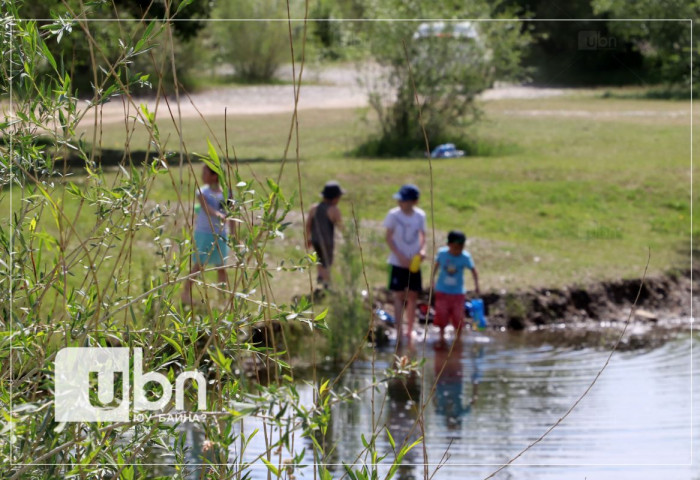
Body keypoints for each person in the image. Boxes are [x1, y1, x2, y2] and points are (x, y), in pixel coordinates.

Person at [181, 164, 234, 304]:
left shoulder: (227, 194)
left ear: (214, 175)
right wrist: (219, 215)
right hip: (204, 233)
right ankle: (186, 294)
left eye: (205, 173)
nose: (202, 176)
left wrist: (234, 235)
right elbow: (206, 208)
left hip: (221, 234)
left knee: (221, 267)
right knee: (199, 265)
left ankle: (222, 299)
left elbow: (232, 215)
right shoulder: (202, 192)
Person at [384, 184, 426, 347]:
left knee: (413, 295)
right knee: (398, 295)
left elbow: (423, 236)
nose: (400, 202)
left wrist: (422, 251)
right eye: (400, 199)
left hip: (414, 262)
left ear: (414, 201)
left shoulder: (420, 216)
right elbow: (388, 237)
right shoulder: (393, 215)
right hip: (397, 261)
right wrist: (400, 256)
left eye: (404, 199)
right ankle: (399, 329)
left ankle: (410, 329)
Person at [431, 230, 480, 348]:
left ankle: (458, 340)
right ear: (449, 245)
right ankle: (441, 338)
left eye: (461, 248)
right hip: (442, 291)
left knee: (458, 317)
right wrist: (432, 281)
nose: (458, 250)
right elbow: (435, 267)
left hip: (458, 293)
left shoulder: (465, 257)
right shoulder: (442, 254)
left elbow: (473, 270)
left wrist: (477, 285)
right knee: (441, 315)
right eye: (455, 247)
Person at [306, 181, 344, 289]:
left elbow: (308, 224)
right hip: (327, 242)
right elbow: (341, 226)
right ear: (335, 198)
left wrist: (307, 238)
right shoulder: (333, 210)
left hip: (315, 240)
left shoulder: (314, 208)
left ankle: (320, 278)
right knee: (327, 263)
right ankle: (326, 285)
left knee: (319, 260)